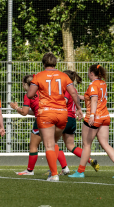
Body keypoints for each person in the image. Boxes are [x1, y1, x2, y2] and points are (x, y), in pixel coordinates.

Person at [27, 52, 83, 182]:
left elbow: (30, 95)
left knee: (49, 145)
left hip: (46, 112)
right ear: (55, 63)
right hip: (62, 114)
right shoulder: (63, 76)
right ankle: (57, 171)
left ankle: (54, 174)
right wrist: (79, 109)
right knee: (54, 143)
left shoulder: (39, 76)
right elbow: (73, 93)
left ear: (43, 63)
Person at [69, 64, 114, 178]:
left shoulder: (93, 85)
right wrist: (75, 95)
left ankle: (80, 172)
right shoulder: (102, 83)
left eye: (88, 72)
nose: (87, 74)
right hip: (104, 116)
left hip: (95, 117)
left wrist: (92, 115)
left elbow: (94, 100)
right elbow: (90, 98)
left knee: (86, 145)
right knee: (105, 144)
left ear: (92, 73)